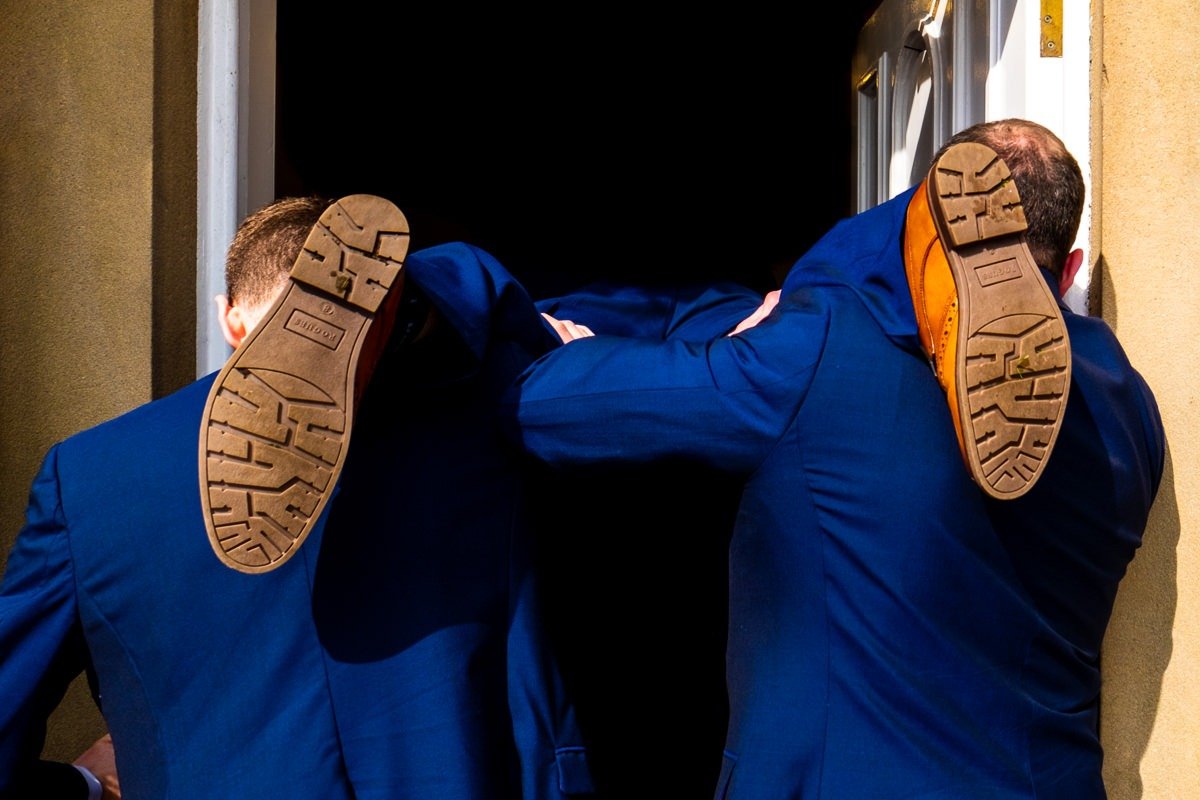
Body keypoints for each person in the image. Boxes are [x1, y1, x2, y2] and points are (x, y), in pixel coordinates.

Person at [502, 119, 1165, 798]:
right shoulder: (1128, 412)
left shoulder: (821, 348)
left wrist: (553, 341)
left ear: (922, 233)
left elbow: (549, 411)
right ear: (1073, 268)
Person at [0, 195, 598, 799]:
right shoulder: (489, 411)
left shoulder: (87, 478)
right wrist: (526, 335)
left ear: (228, 320)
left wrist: (85, 785)